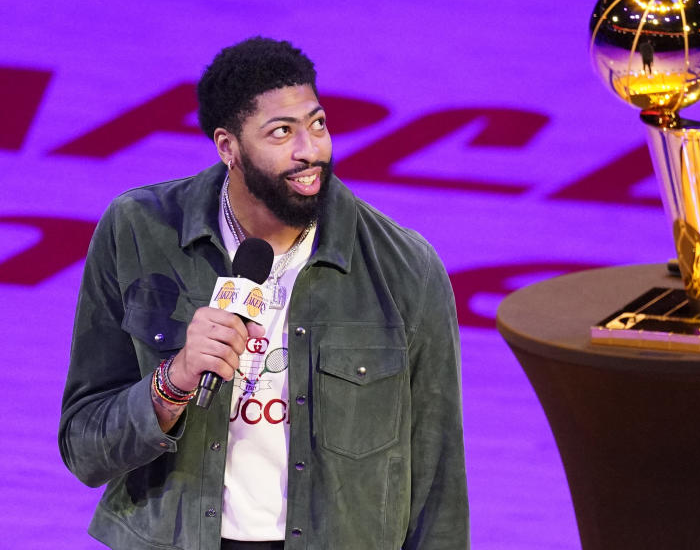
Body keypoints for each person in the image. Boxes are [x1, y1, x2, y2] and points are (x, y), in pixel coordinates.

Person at [59, 37, 469, 550]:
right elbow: (85, 448)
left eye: (317, 124)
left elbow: (439, 484)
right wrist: (174, 381)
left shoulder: (405, 268)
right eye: (282, 132)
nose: (310, 151)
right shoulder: (138, 232)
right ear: (228, 147)